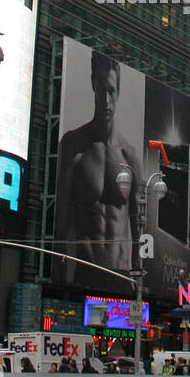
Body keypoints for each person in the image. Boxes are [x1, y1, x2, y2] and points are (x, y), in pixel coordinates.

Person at [57, 51, 144, 284]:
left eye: (112, 92)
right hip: (85, 272)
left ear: (119, 92)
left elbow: (139, 227)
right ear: (93, 84)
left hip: (123, 275)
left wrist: (140, 279)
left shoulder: (130, 155)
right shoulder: (74, 145)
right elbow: (61, 220)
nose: (106, 101)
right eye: (102, 90)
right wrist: (58, 277)